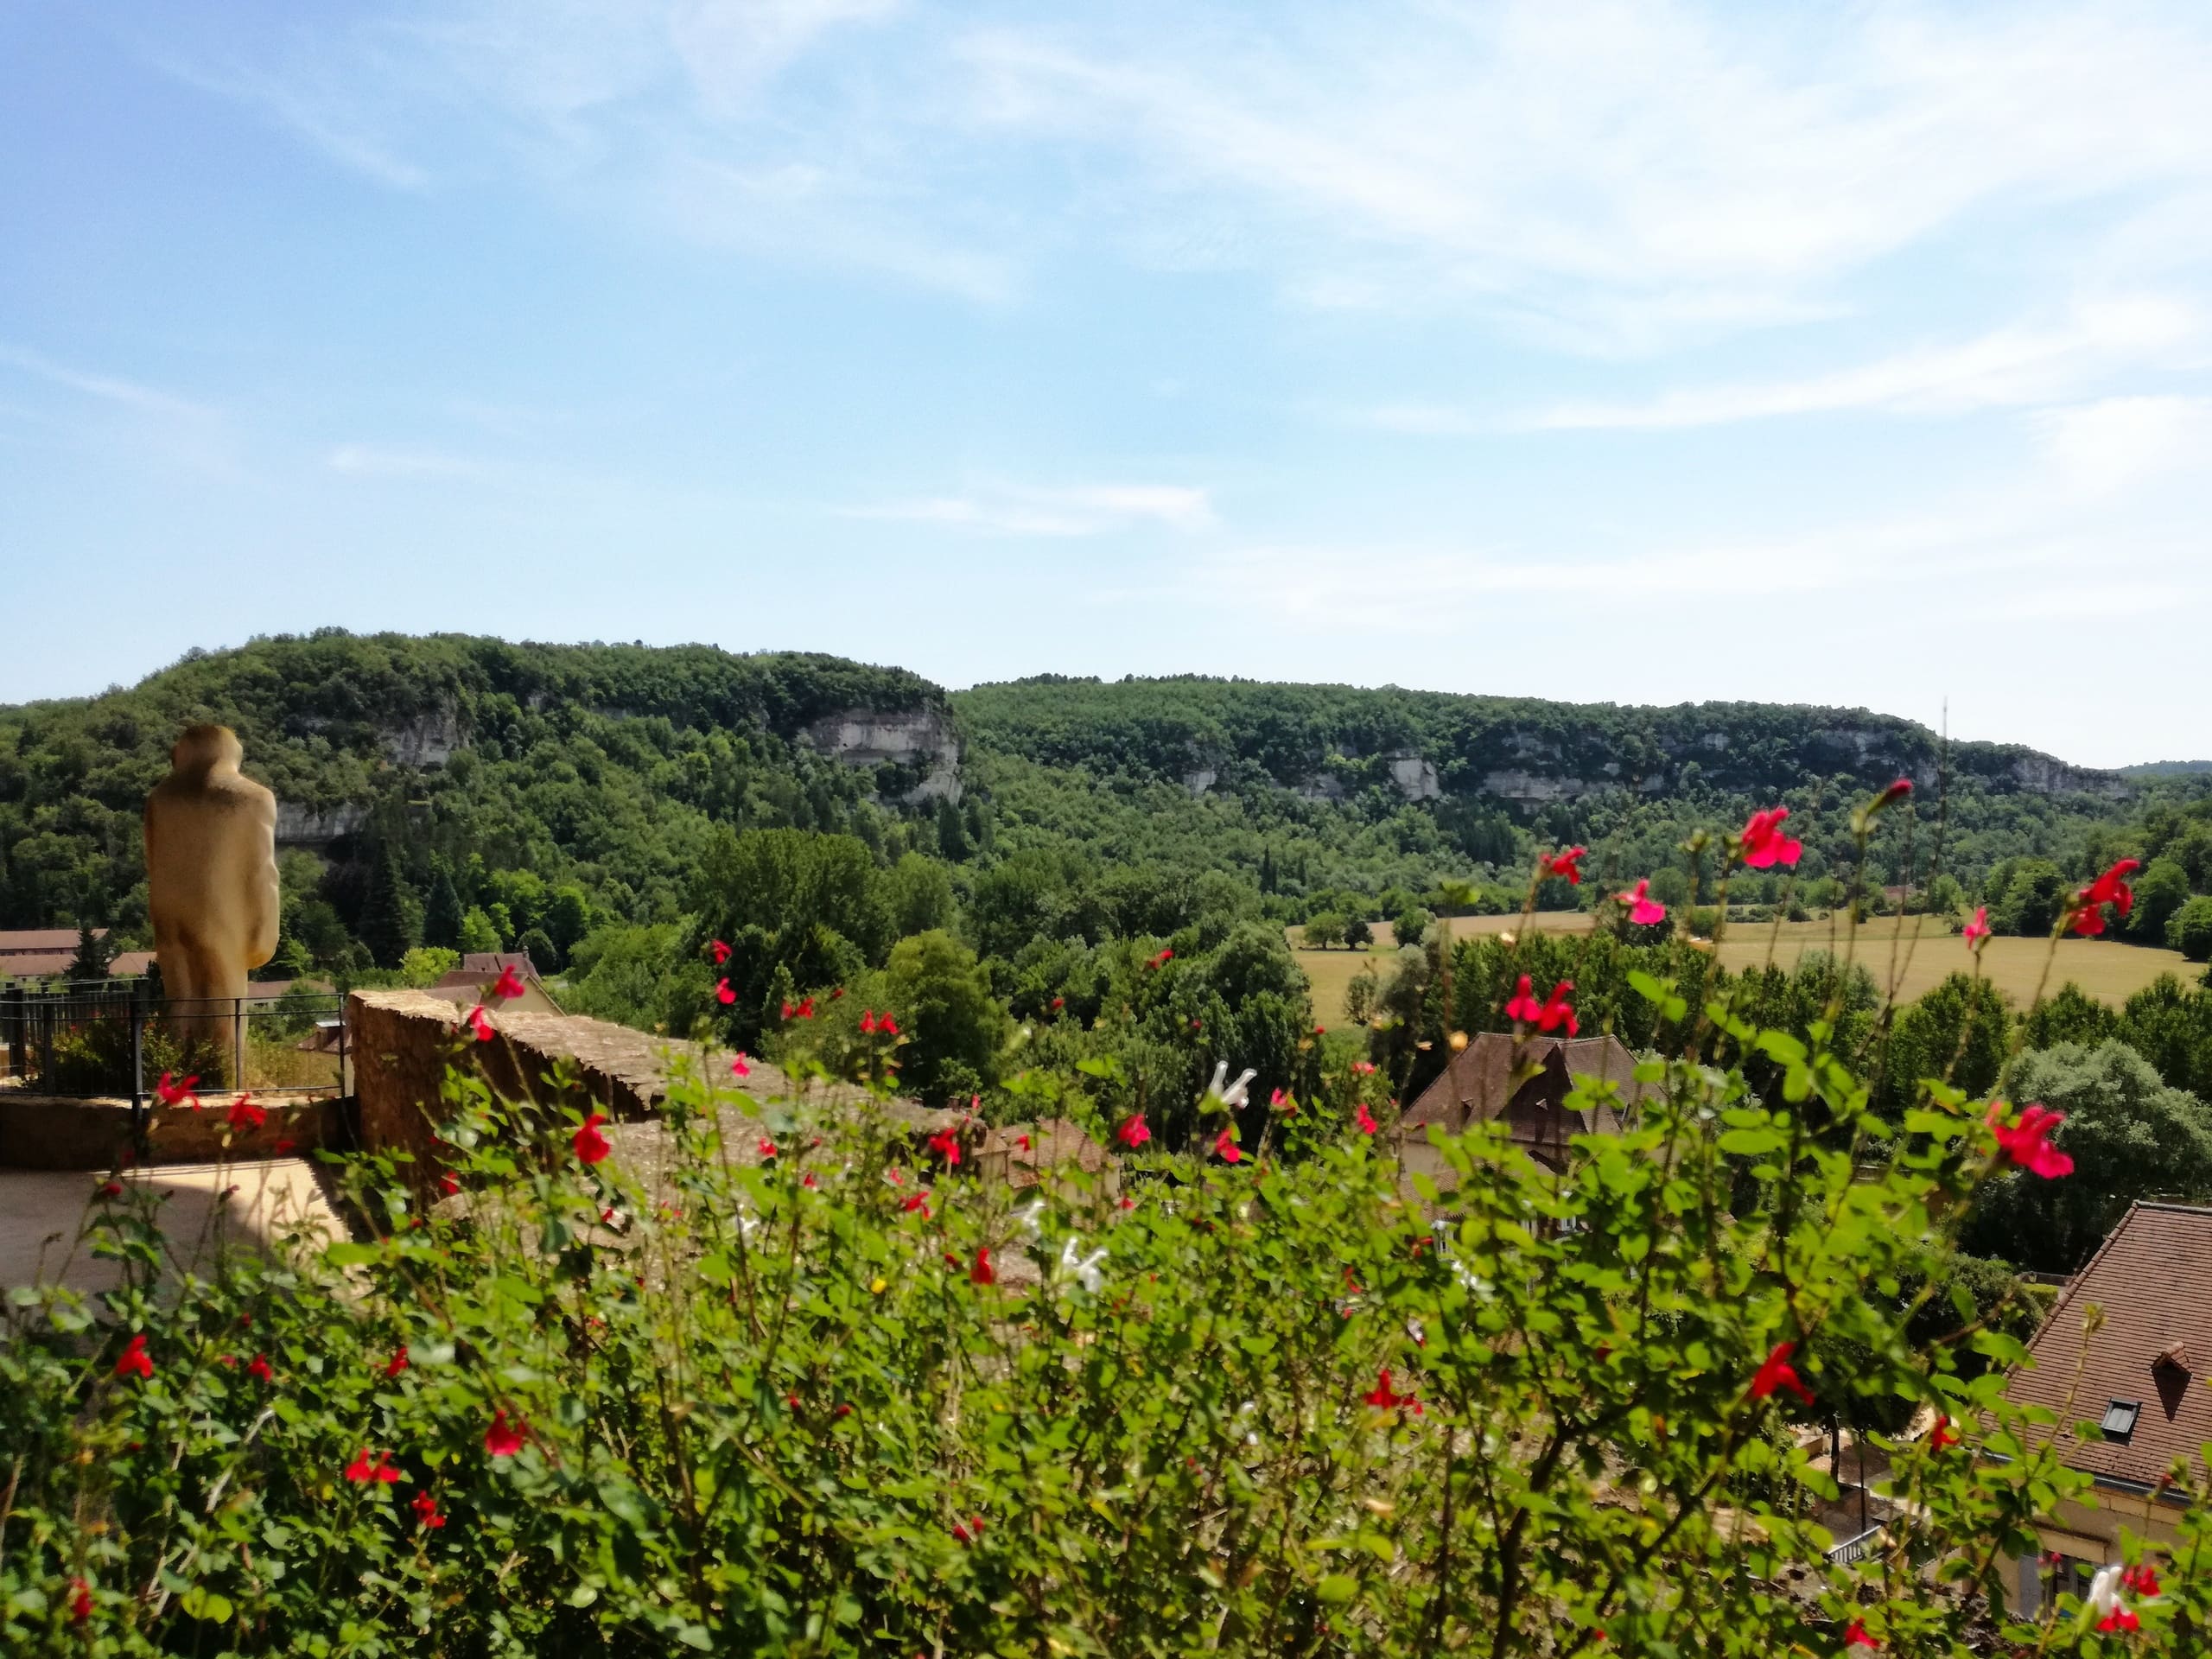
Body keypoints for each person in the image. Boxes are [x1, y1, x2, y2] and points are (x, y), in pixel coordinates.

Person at [144, 725, 279, 1056]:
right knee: (225, 1003)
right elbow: (263, 870)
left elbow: (152, 859)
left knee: (181, 998)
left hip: (169, 914)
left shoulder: (159, 800)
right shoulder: (252, 797)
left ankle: (175, 1076)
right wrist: (264, 933)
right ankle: (225, 1079)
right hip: (221, 914)